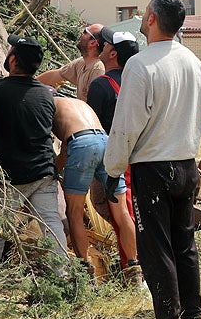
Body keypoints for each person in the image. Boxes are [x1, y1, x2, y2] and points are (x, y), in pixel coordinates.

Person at [104, 0, 201, 319]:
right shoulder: (193, 62)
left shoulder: (141, 64)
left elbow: (126, 125)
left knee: (156, 248)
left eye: (145, 10)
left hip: (153, 167)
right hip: (186, 163)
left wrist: (113, 167)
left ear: (151, 19)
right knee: (185, 244)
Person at [0, 35, 68, 273]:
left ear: (13, 60)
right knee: (51, 223)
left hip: (10, 176)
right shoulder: (47, 95)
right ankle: (64, 274)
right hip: (44, 172)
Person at [53, 96, 139, 283]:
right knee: (122, 211)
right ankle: (134, 268)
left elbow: (65, 149)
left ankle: (86, 270)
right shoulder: (75, 103)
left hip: (81, 143)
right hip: (105, 141)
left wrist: (53, 171)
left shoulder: (49, 104)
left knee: (74, 212)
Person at [87, 27, 141, 275]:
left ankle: (130, 265)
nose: (102, 45)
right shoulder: (139, 82)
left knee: (119, 213)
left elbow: (92, 126)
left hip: (112, 159)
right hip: (140, 155)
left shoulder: (100, 86)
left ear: (112, 54)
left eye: (106, 43)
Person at [38, 23, 105, 101]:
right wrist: (27, 85)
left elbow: (96, 105)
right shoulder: (81, 62)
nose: (81, 32)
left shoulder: (98, 69)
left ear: (92, 43)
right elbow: (56, 75)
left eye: (86, 31)